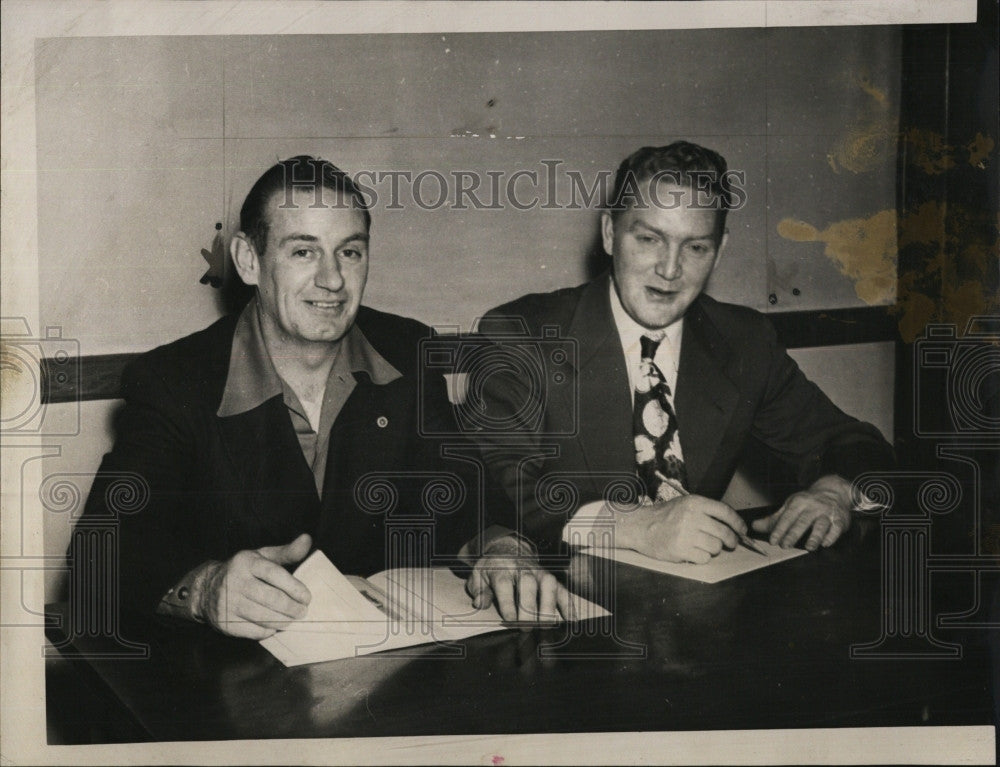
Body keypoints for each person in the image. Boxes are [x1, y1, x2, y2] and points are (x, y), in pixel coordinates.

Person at [75, 156, 572, 639]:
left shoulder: (405, 352)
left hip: (386, 671)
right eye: (303, 251)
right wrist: (203, 591)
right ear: (249, 260)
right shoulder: (174, 381)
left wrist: (503, 547)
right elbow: (101, 551)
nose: (333, 280)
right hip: (233, 688)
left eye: (350, 252)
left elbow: (464, 491)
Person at [474, 141, 895, 564]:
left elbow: (850, 440)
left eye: (695, 247)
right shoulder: (521, 335)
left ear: (719, 251)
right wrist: (634, 525)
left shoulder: (742, 341)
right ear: (609, 234)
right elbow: (499, 489)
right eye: (649, 239)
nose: (670, 270)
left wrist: (837, 489)